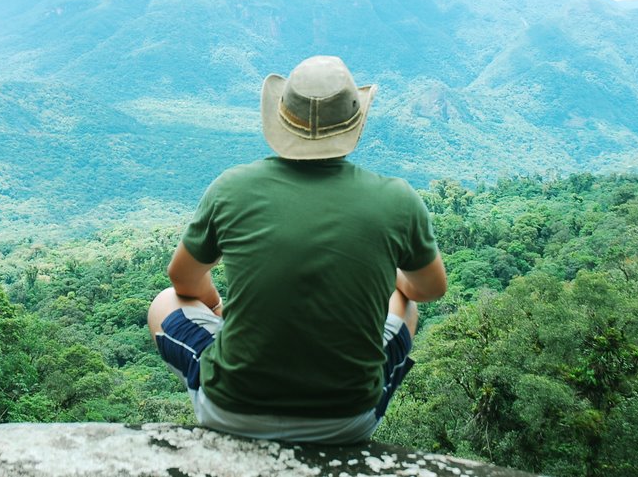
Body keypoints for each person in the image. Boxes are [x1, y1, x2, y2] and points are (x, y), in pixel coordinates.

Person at [147, 55, 447, 444]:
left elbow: (182, 280)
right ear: (356, 122)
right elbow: (430, 289)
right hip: (347, 420)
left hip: (231, 410)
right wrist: (384, 273)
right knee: (404, 303)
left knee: (165, 301)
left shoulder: (231, 188)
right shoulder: (398, 200)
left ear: (282, 117)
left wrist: (218, 309)